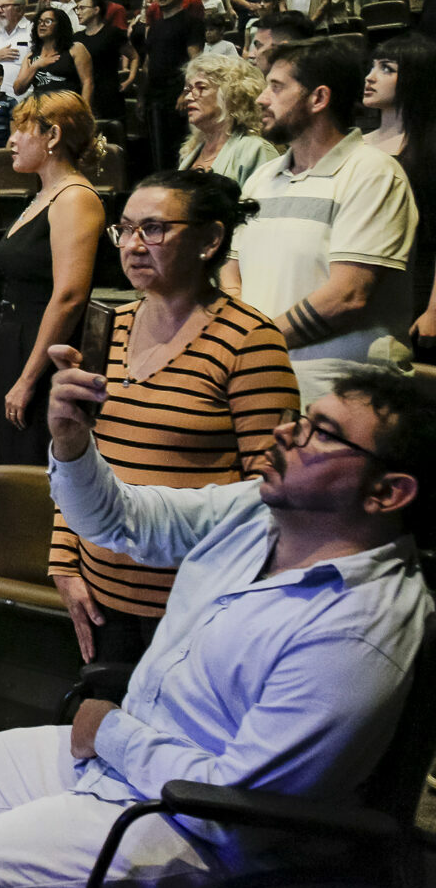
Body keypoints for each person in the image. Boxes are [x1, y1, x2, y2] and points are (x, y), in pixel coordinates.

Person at [0, 366, 434, 888]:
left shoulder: (358, 631)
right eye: (302, 419)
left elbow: (236, 812)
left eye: (321, 433)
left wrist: (112, 734)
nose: (284, 432)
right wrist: (71, 443)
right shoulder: (259, 511)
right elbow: (121, 519)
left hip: (199, 830)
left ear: (388, 492)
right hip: (135, 759)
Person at [49, 171, 300, 666]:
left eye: (154, 229)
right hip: (101, 595)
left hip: (192, 605)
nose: (132, 245)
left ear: (210, 240)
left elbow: (270, 494)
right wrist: (64, 558)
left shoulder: (251, 341)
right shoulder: (109, 326)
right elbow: (81, 455)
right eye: (125, 229)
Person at [223, 38, 418, 403]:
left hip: (343, 397)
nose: (262, 99)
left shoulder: (372, 173)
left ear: (318, 98)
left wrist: (254, 346)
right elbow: (231, 271)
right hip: (261, 381)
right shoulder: (263, 177)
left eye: (276, 87)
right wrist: (244, 344)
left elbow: (346, 296)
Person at [0, 92, 106, 466]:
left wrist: (27, 378)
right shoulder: (45, 194)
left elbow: (70, 296)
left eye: (20, 130)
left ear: (52, 136)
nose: (11, 141)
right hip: (19, 343)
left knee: (36, 470)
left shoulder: (74, 198)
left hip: (43, 353)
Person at [363, 35, 436, 359]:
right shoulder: (355, 142)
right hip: (363, 278)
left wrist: (434, 310)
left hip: (416, 282)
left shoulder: (428, 150)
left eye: (386, 69)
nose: (370, 77)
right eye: (372, 67)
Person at [135, 0, 206, 172]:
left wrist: (186, 92)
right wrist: (141, 97)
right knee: (157, 149)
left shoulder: (191, 22)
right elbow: (148, 63)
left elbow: (195, 60)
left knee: (178, 148)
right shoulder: (155, 26)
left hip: (177, 93)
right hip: (154, 94)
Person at [178, 54, 278, 185]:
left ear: (230, 95)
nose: (188, 97)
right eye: (189, 89)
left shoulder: (254, 150)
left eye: (201, 87)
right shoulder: (190, 152)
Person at [16, 6, 94, 113]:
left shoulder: (75, 49)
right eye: (39, 22)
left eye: (48, 21)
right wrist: (35, 66)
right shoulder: (31, 56)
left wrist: (84, 111)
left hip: (69, 109)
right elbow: (18, 89)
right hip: (41, 110)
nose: (42, 24)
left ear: (60, 25)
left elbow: (87, 82)